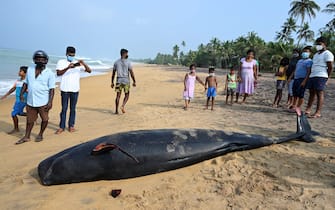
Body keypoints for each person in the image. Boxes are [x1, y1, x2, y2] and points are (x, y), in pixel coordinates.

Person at [15, 50, 55, 145]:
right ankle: (26, 136)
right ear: (34, 60)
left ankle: (40, 134)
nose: (40, 61)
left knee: (45, 119)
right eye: (38, 59)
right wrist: (21, 94)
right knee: (29, 120)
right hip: (30, 100)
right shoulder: (30, 69)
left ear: (46, 60)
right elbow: (26, 83)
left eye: (42, 59)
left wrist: (50, 102)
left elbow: (52, 89)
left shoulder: (49, 73)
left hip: (43, 101)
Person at [55, 46, 91, 134]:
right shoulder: (61, 62)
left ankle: (71, 126)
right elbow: (58, 73)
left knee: (73, 109)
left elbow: (89, 71)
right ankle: (61, 127)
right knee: (64, 109)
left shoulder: (77, 64)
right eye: (70, 55)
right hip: (64, 89)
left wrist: (83, 63)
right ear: (66, 54)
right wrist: (68, 67)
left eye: (73, 55)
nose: (71, 56)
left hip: (75, 89)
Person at [305, 37, 334, 118]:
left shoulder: (328, 54)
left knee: (319, 93)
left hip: (321, 75)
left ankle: (318, 112)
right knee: (311, 93)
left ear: (324, 44)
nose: (318, 46)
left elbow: (330, 67)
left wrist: (328, 78)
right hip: (313, 75)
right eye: (317, 44)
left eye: (319, 44)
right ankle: (308, 109)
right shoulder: (316, 55)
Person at [1, 66, 28, 134]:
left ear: (25, 73)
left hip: (22, 100)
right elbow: (13, 88)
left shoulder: (27, 81)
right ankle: (31, 115)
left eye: (20, 71)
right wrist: (6, 95)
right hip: (18, 99)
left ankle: (16, 129)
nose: (19, 72)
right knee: (20, 113)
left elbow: (29, 90)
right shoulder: (18, 80)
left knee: (13, 114)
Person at [288, 46, 313, 115]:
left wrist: (305, 81)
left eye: (306, 52)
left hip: (302, 79)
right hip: (296, 78)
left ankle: (298, 107)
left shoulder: (309, 61)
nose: (304, 53)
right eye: (304, 51)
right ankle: (293, 106)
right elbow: (295, 70)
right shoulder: (299, 61)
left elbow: (308, 72)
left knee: (300, 94)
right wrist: (290, 77)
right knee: (295, 93)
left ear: (310, 53)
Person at [111, 49, 136, 114]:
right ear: (124, 54)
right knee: (127, 95)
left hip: (118, 80)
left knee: (118, 96)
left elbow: (113, 73)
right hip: (126, 80)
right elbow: (131, 72)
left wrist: (112, 82)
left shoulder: (116, 62)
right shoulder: (128, 62)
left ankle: (116, 110)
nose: (128, 55)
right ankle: (122, 106)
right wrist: (134, 81)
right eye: (127, 53)